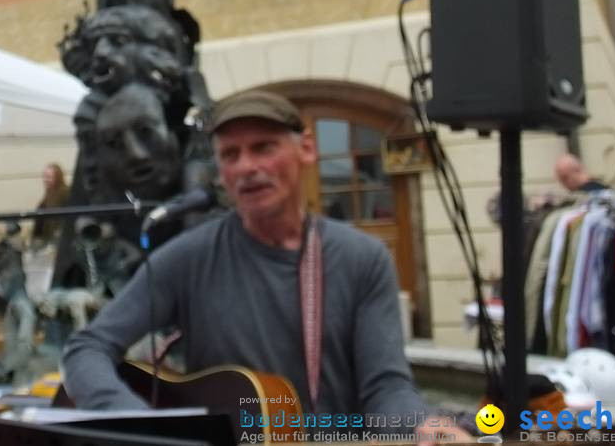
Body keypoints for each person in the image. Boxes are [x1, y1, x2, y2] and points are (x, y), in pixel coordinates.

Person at [62, 90, 468, 441]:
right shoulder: (188, 257)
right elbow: (87, 347)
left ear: (306, 149)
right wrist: (140, 425)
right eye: (230, 155)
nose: (246, 167)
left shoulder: (363, 258)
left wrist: (418, 428)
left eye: (263, 147)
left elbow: (386, 388)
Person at [32, 163, 70, 245]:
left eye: (49, 177)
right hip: (48, 238)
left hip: (57, 239)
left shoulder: (64, 192)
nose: (45, 180)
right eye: (44, 176)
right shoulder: (50, 192)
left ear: (57, 177)